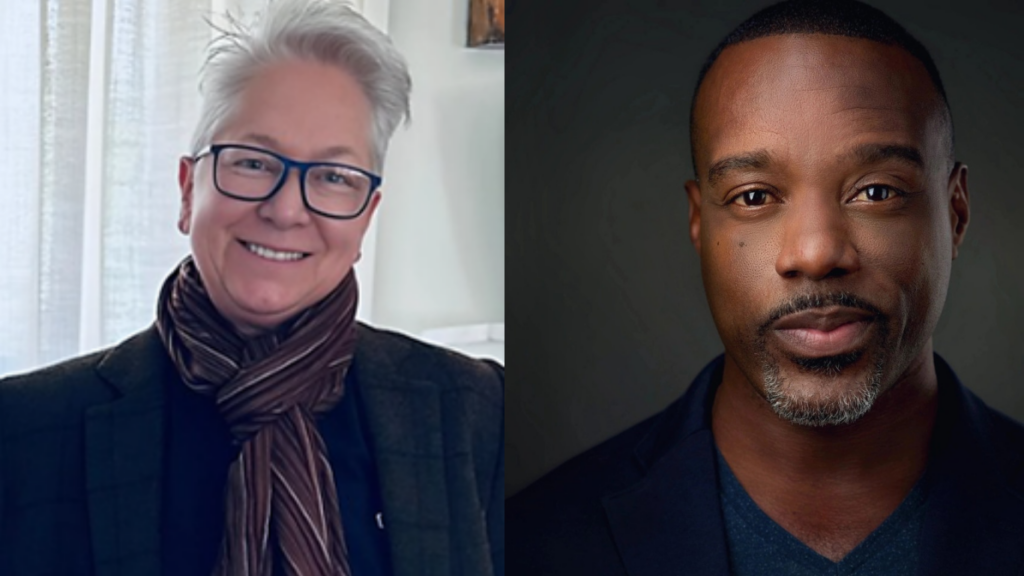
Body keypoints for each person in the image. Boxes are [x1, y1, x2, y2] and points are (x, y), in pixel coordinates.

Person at [506, 1, 1024, 574]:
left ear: (955, 212)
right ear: (699, 224)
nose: (815, 253)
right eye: (754, 196)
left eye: (876, 191)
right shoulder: (532, 541)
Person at [0, 1, 504, 575]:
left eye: (334, 177)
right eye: (252, 163)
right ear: (189, 190)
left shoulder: (476, 414)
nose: (286, 209)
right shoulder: (23, 432)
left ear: (366, 217)